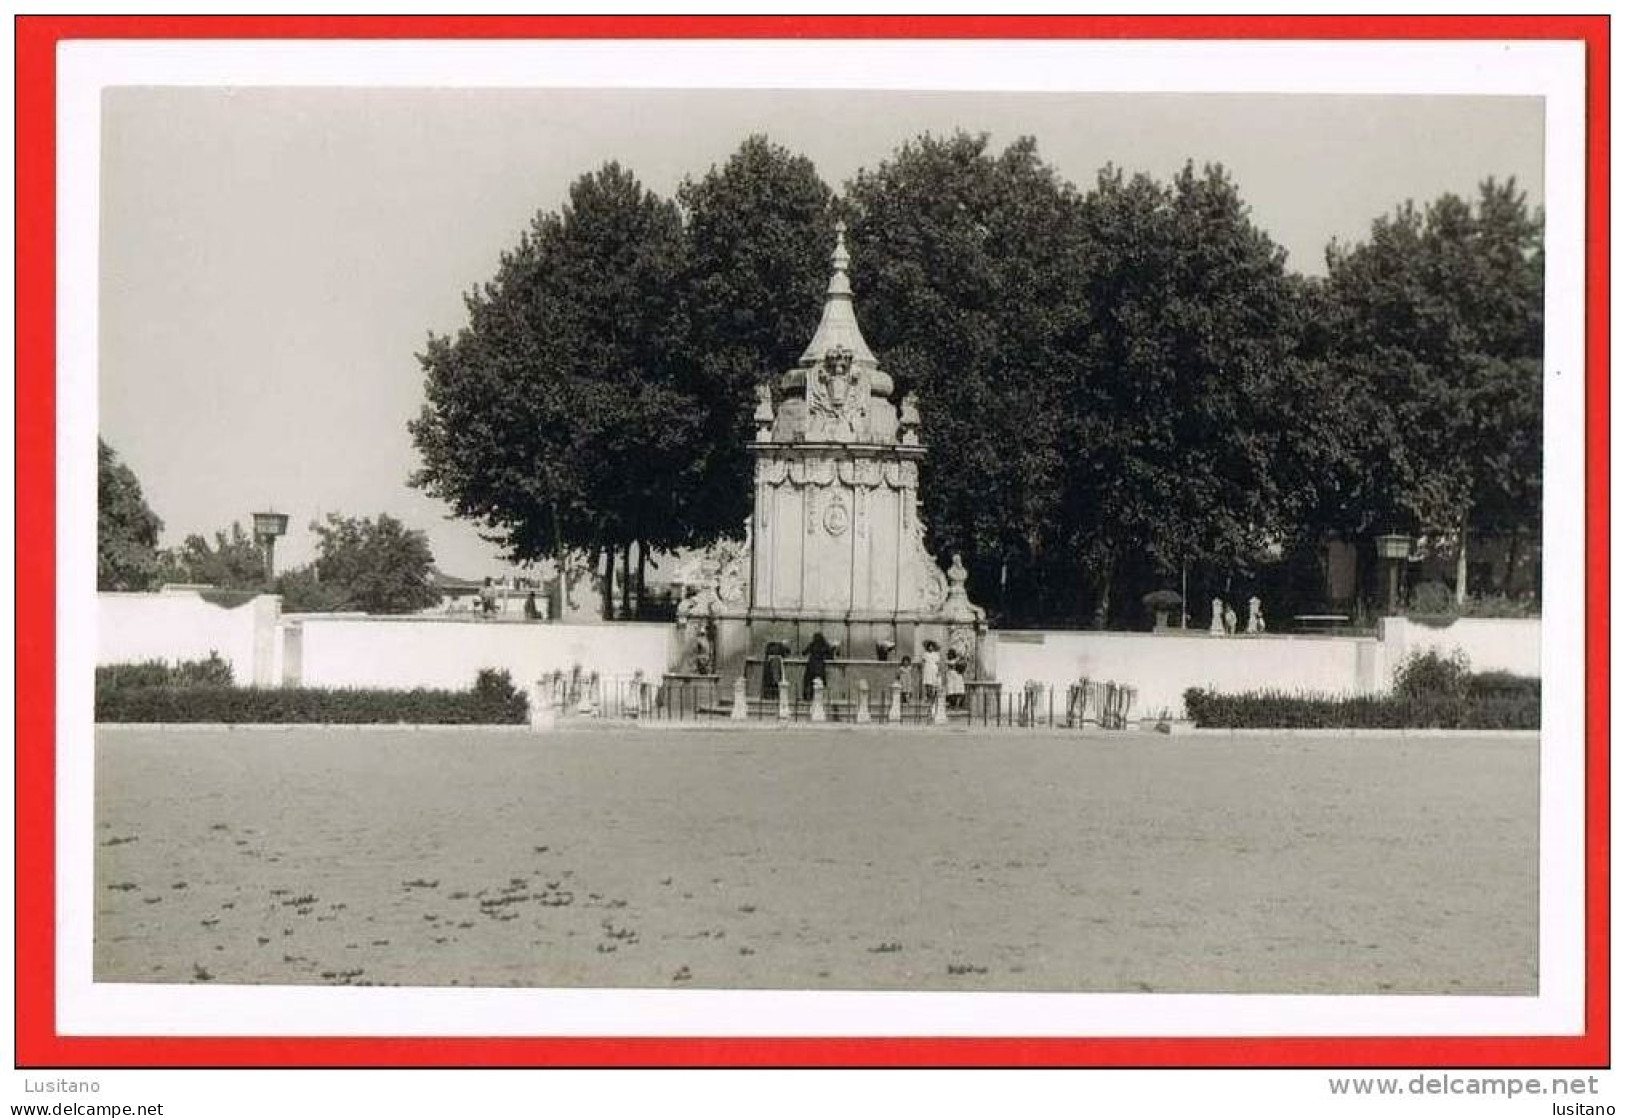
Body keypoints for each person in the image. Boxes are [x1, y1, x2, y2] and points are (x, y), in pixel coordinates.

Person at [802, 631, 834, 702]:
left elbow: (804, 652)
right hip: (820, 667)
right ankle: (818, 700)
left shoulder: (812, 644)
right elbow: (830, 656)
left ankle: (808, 698)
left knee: (809, 682)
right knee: (819, 684)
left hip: (811, 666)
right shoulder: (825, 645)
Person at [920, 640, 942, 707]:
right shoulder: (925, 654)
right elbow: (923, 662)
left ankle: (933, 697)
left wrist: (938, 671)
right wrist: (922, 669)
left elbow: (938, 663)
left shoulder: (936, 654)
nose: (930, 648)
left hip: (934, 669)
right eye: (929, 646)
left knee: (933, 684)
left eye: (932, 646)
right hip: (927, 668)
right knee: (928, 684)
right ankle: (928, 696)